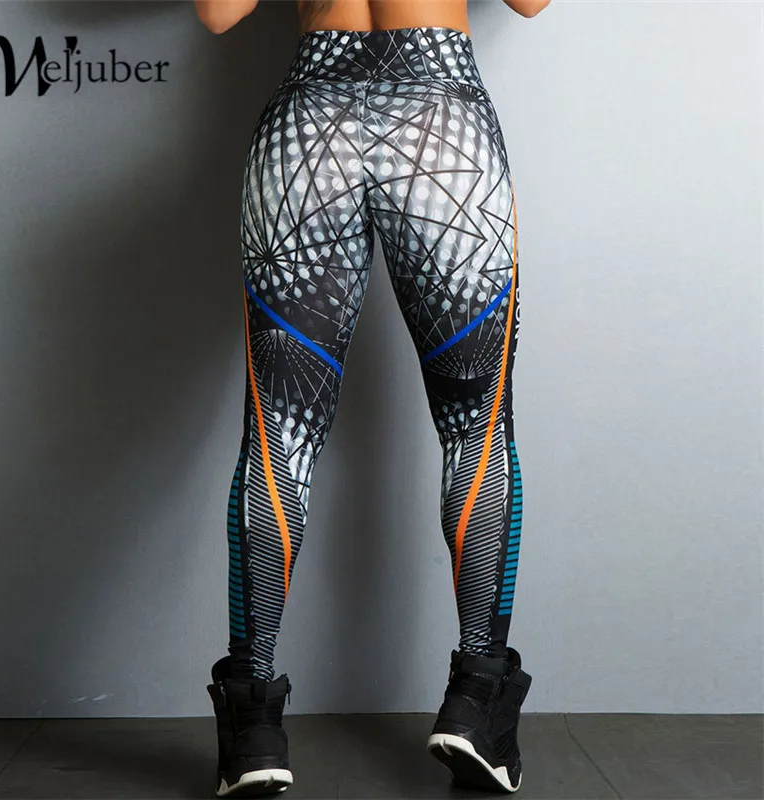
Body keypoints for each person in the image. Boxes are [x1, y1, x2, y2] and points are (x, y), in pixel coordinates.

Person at [193, 0, 551, 795]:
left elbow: (217, 13)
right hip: (442, 124)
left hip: (308, 126)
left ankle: (253, 732)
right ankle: (477, 706)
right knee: (477, 430)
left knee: (277, 437)